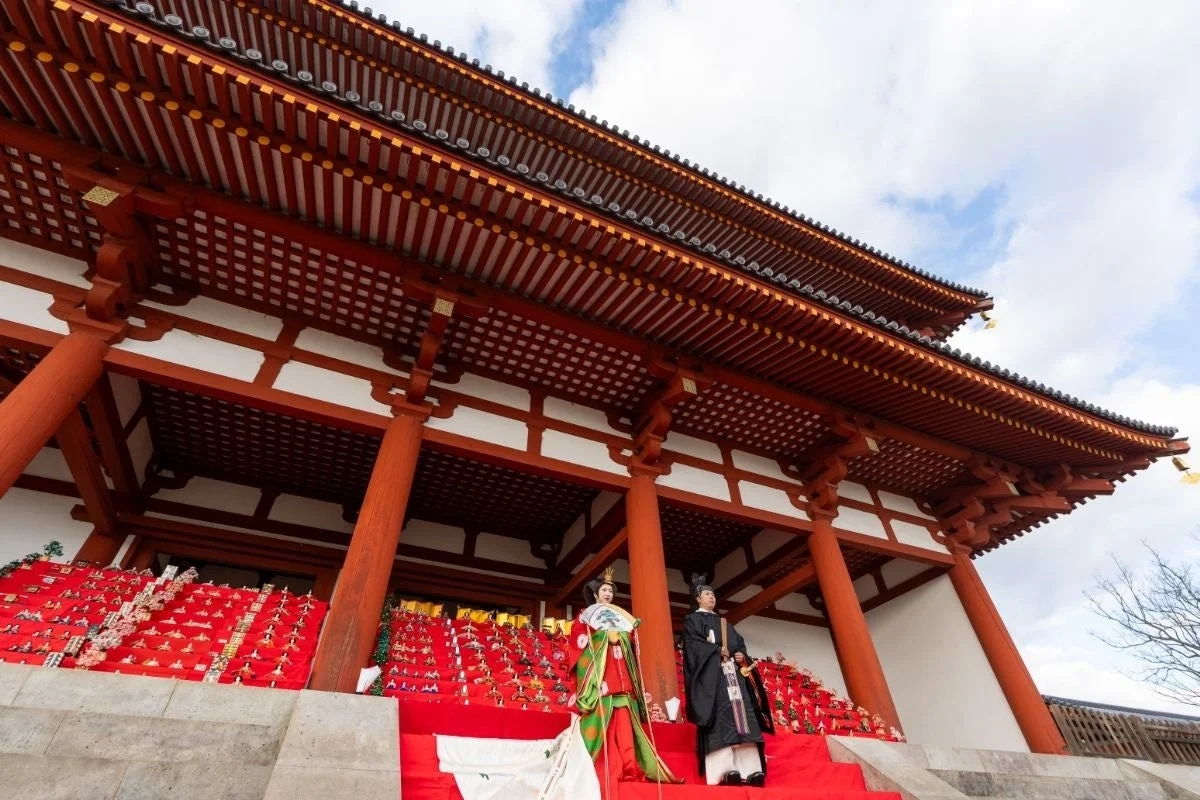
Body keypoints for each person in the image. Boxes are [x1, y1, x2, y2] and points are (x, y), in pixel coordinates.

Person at [567, 567, 678, 787]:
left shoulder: (619, 616)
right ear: (596, 594)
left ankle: (629, 765)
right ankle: (598, 764)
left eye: (610, 591)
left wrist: (623, 638)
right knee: (602, 720)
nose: (608, 594)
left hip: (621, 675)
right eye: (604, 590)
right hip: (601, 677)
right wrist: (602, 636)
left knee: (626, 724)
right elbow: (579, 641)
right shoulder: (585, 616)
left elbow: (630, 641)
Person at [682, 575, 774, 787]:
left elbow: (739, 645)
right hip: (714, 680)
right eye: (707, 594)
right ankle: (724, 771)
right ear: (698, 598)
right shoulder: (693, 621)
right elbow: (692, 647)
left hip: (734, 677)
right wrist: (714, 651)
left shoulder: (725, 624)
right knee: (721, 720)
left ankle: (752, 771)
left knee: (744, 720)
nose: (711, 597)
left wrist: (741, 655)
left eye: (713, 594)